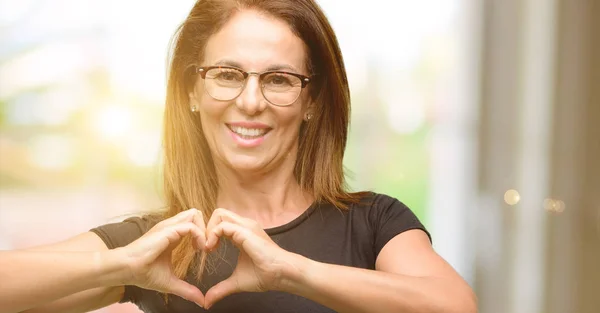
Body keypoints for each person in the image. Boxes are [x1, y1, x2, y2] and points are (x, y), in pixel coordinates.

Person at [0, 0, 477, 312]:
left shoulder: (373, 224)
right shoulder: (157, 246)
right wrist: (118, 266)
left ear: (312, 101)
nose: (250, 101)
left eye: (279, 79)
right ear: (192, 90)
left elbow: (455, 307)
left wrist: (292, 271)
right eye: (227, 74)